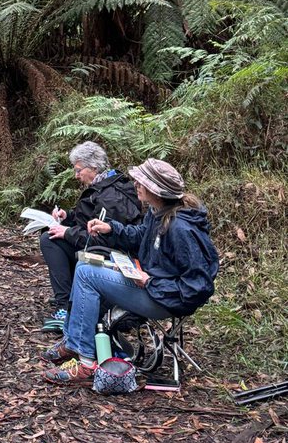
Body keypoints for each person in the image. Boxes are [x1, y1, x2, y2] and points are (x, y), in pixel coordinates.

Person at [41, 157, 219, 386]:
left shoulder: (180, 228)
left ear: (156, 190)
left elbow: (198, 286)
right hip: (151, 284)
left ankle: (85, 363)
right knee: (86, 265)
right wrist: (110, 228)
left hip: (163, 298)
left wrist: (151, 282)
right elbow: (139, 235)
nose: (135, 185)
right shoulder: (158, 212)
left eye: (141, 182)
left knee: (87, 274)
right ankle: (73, 342)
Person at [38, 141, 141, 330]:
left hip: (110, 255)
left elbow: (101, 238)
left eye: (78, 170)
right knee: (52, 234)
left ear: (93, 167)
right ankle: (69, 297)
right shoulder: (104, 184)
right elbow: (89, 218)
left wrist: (68, 232)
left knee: (50, 240)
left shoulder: (111, 196)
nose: (76, 175)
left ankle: (65, 308)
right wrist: (67, 217)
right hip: (97, 245)